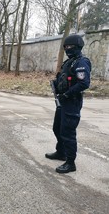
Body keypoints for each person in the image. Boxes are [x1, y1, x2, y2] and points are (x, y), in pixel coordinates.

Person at [45, 34, 91, 174]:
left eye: (70, 46)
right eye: (66, 47)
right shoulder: (68, 62)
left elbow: (84, 83)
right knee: (57, 128)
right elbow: (64, 79)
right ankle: (61, 152)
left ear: (78, 47)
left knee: (68, 132)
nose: (68, 49)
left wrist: (67, 94)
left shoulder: (81, 62)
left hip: (72, 102)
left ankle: (70, 162)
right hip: (63, 101)